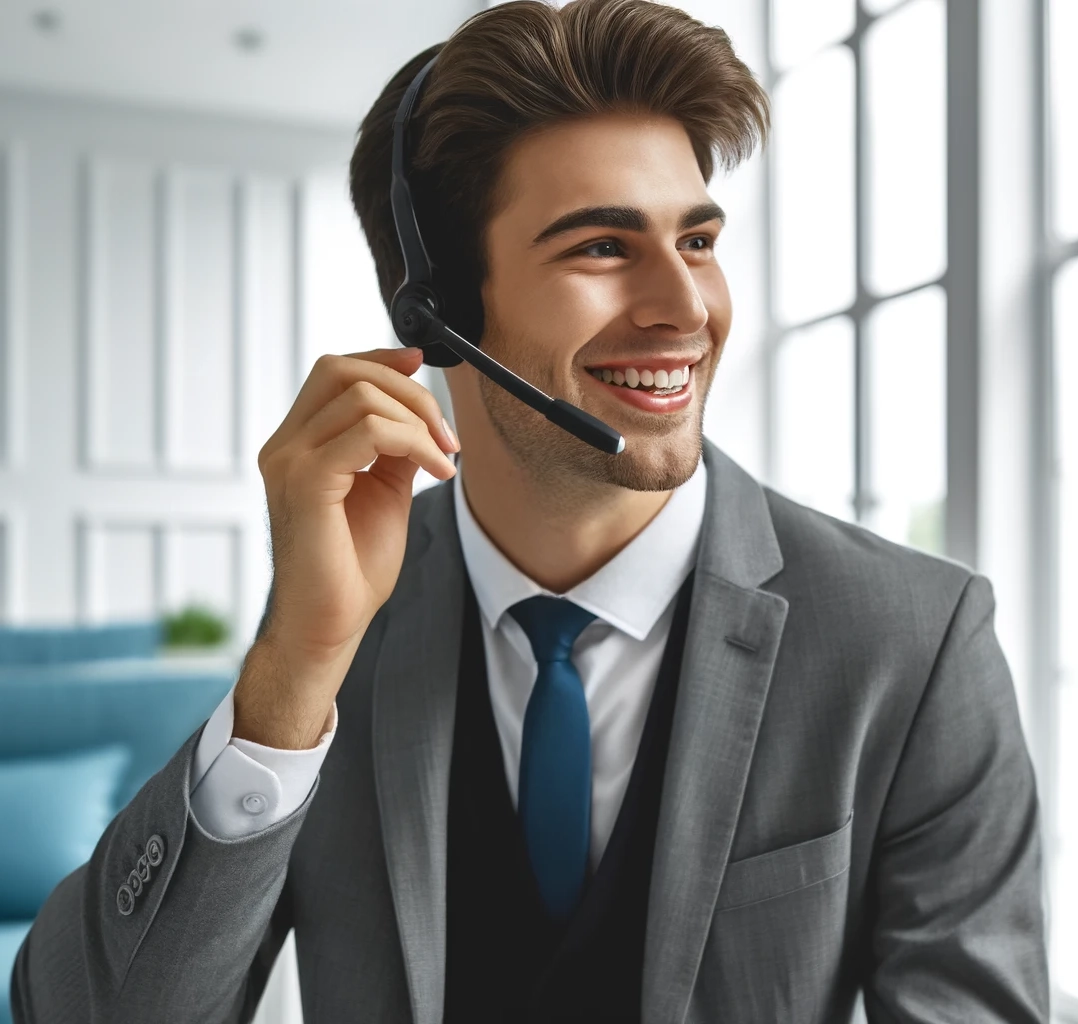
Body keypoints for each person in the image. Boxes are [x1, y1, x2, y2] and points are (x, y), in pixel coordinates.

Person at [12, 0, 1049, 1021]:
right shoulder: (341, 628)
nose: (685, 310)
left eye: (695, 240)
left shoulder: (911, 639)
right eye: (601, 247)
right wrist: (290, 675)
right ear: (441, 312)